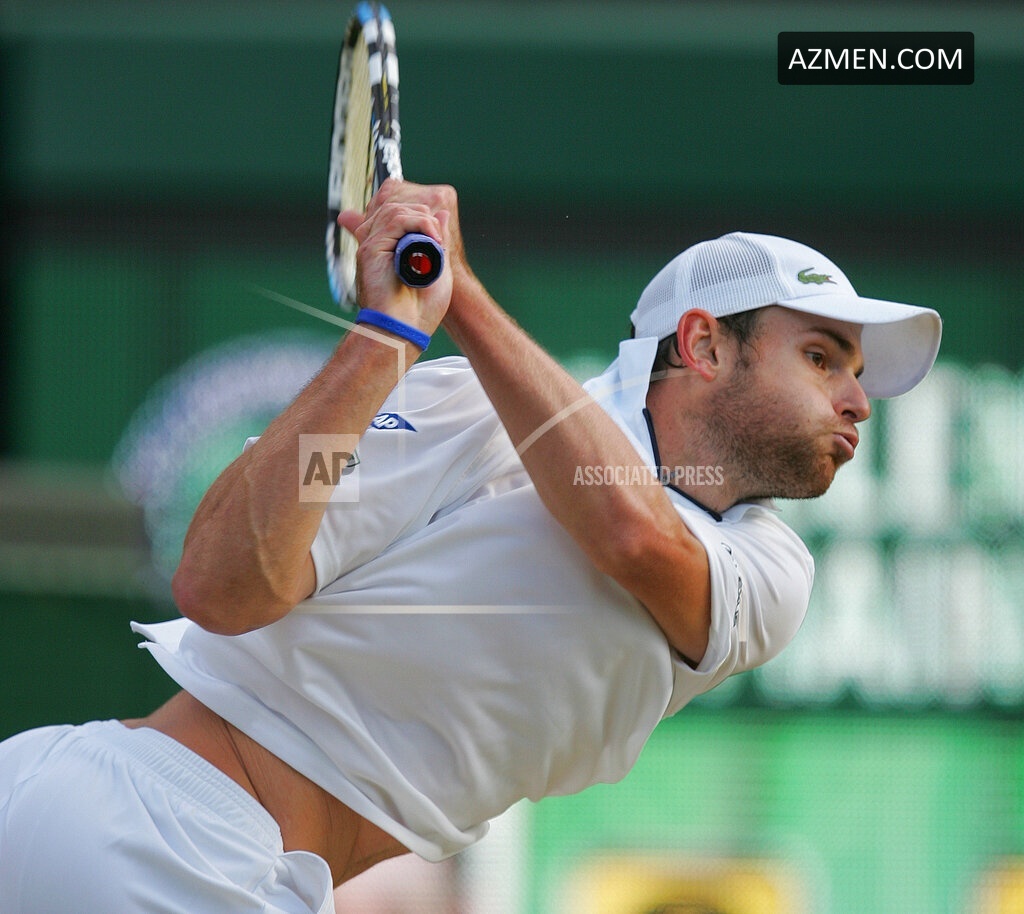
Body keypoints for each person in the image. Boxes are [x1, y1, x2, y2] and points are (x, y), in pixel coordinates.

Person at [0, 180, 941, 913]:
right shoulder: (460, 405)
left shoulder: (772, 573)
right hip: (161, 832)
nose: (858, 402)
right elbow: (220, 585)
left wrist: (463, 297)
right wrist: (382, 339)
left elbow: (629, 532)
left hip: (204, 855)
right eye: (821, 358)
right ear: (703, 346)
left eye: (857, 374)